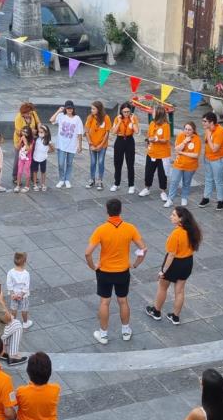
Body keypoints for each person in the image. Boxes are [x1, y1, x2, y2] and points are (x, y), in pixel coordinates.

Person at [85, 198, 147, 344]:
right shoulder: (130, 228)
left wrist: (93, 266)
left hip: (105, 271)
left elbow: (88, 253)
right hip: (123, 271)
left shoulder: (101, 229)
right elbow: (143, 249)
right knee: (123, 301)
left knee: (105, 302)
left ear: (107, 210)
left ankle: (103, 334)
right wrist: (135, 264)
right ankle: (125, 331)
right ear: (120, 210)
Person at [145, 206, 202, 325]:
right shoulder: (192, 231)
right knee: (180, 291)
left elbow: (171, 255)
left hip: (175, 264)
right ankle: (175, 317)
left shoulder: (176, 234)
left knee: (162, 287)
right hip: (187, 262)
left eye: (174, 215)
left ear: (181, 219)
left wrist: (163, 271)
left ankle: (156, 311)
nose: (171, 216)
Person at [15, 352, 60, 420]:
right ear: (49, 371)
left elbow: (10, 402)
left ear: (28, 372)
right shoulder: (56, 389)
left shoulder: (21, 392)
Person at [165, 121, 202, 207]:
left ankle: (184, 197)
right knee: (174, 181)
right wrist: (185, 142)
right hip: (179, 164)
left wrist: (183, 153)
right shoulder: (181, 136)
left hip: (190, 166)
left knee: (186, 182)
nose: (187, 131)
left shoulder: (197, 139)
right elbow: (177, 149)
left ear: (193, 130)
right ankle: (170, 199)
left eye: (189, 130)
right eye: (186, 129)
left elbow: (196, 155)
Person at [198, 112, 223, 211]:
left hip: (218, 159)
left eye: (205, 121)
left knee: (218, 180)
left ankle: (221, 201)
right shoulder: (208, 129)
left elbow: (214, 148)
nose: (203, 123)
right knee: (208, 178)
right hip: (208, 158)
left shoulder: (220, 131)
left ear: (211, 122)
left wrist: (208, 134)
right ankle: (206, 198)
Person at [139, 106, 171, 201]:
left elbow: (166, 139)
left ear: (158, 114)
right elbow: (149, 135)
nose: (152, 113)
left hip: (163, 155)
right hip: (151, 153)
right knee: (148, 172)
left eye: (153, 112)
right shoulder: (152, 123)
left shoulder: (165, 125)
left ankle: (163, 191)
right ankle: (147, 188)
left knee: (162, 174)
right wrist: (148, 140)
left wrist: (156, 139)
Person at [50, 101, 83, 189]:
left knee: (69, 163)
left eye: (71, 108)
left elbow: (80, 133)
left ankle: (67, 179)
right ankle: (61, 179)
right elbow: (52, 120)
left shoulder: (77, 118)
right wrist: (58, 111)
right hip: (61, 144)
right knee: (61, 163)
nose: (69, 110)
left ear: (73, 109)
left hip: (72, 145)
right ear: (65, 108)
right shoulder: (61, 116)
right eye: (68, 108)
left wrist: (80, 145)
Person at [110, 102, 139, 194]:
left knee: (130, 164)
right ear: (121, 111)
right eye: (124, 112)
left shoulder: (133, 118)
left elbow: (137, 131)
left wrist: (132, 120)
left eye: (128, 112)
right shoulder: (117, 118)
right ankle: (116, 183)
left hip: (129, 140)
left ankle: (131, 185)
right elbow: (113, 132)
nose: (126, 114)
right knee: (117, 163)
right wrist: (119, 122)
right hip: (120, 140)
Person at [85, 101, 111, 190]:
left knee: (100, 162)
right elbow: (87, 132)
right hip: (92, 145)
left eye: (93, 109)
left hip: (102, 145)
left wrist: (101, 145)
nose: (91, 110)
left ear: (98, 109)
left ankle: (100, 180)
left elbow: (107, 133)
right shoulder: (90, 117)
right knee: (92, 162)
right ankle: (92, 179)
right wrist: (90, 144)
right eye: (91, 108)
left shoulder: (106, 118)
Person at [12, 103, 41, 184]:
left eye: (29, 113)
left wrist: (39, 128)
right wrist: (31, 131)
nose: (29, 114)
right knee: (18, 158)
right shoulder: (18, 117)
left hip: (32, 140)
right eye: (27, 113)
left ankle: (32, 175)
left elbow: (38, 122)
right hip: (20, 141)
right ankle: (15, 176)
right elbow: (18, 131)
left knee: (32, 157)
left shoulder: (33, 113)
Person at [6, 252, 32, 328]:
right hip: (23, 296)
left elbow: (9, 284)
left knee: (14, 309)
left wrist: (12, 294)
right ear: (25, 262)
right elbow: (26, 286)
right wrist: (21, 294)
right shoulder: (26, 274)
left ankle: (12, 323)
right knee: (24, 309)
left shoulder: (10, 272)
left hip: (14, 295)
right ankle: (25, 323)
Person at [32, 125, 53, 192]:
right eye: (39, 132)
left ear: (46, 133)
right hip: (35, 157)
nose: (40, 133)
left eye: (42, 132)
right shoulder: (37, 139)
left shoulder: (48, 141)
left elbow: (52, 149)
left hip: (43, 158)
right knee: (35, 171)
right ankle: (35, 184)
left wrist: (47, 150)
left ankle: (43, 184)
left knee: (43, 171)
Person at [14, 127, 34, 193]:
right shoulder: (21, 138)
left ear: (29, 133)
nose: (24, 133)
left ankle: (27, 186)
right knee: (19, 171)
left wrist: (25, 141)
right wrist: (20, 141)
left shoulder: (31, 140)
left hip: (28, 159)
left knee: (27, 171)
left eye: (26, 132)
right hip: (21, 158)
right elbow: (17, 147)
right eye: (23, 131)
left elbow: (29, 150)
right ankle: (18, 185)